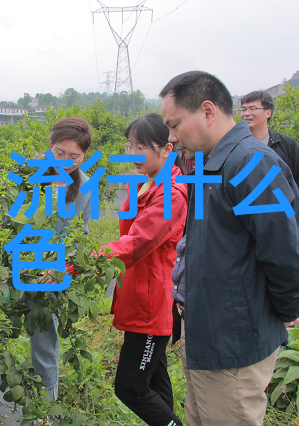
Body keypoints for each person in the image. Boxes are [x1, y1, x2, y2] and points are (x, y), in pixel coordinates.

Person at [160, 71, 299, 426]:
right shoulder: (212, 163)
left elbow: (286, 255)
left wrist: (287, 308)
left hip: (233, 346)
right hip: (209, 338)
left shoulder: (250, 165)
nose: (171, 137)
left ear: (208, 111)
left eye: (175, 124)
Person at [0, 117, 93, 416]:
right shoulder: (26, 176)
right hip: (9, 273)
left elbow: (78, 239)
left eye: (74, 157)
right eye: (59, 153)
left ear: (84, 156)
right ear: (49, 147)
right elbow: (1, 221)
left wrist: (56, 268)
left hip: (47, 278)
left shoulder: (85, 189)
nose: (65, 161)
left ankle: (43, 407)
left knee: (44, 341)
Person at [96, 113, 187, 426]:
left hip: (152, 303)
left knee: (131, 388)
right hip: (141, 292)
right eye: (129, 146)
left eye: (141, 148)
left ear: (166, 149)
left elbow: (134, 243)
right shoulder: (149, 182)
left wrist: (78, 263)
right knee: (155, 383)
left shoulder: (171, 194)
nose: (132, 155)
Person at [240, 90, 299, 206]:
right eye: (243, 109)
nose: (246, 113)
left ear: (268, 113)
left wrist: (289, 212)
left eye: (252, 109)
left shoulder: (287, 145)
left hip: (280, 215)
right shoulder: (236, 145)